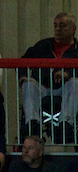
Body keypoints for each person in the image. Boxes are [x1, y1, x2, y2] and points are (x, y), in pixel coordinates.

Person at [18, 13, 78, 141]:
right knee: (28, 84)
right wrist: (23, 77)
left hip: (66, 89)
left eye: (62, 26)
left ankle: (66, 124)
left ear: (73, 29)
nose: (57, 29)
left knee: (75, 83)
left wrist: (68, 74)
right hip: (43, 87)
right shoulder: (43, 45)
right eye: (55, 25)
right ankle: (32, 123)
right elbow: (22, 61)